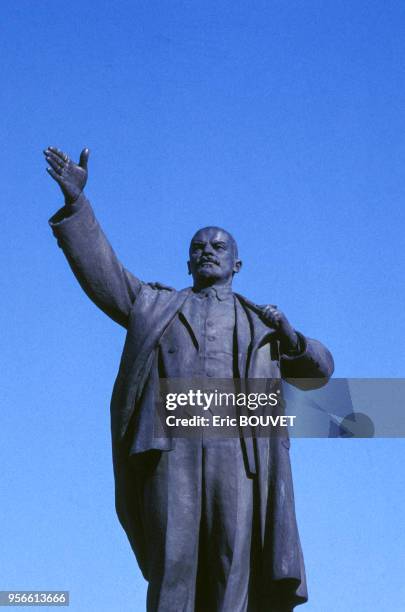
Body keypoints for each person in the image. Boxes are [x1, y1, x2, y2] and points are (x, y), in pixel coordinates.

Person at [44, 146, 334, 612]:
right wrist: (79, 204)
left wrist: (291, 335)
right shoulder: (155, 306)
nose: (207, 252)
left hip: (239, 455)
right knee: (172, 567)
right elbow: (105, 274)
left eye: (219, 247)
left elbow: (320, 372)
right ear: (187, 264)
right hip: (171, 448)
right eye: (198, 248)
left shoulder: (262, 324)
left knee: (231, 565)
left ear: (237, 265)